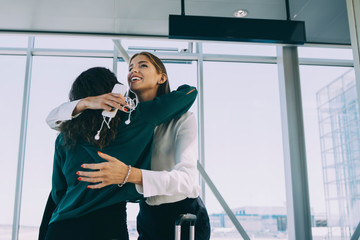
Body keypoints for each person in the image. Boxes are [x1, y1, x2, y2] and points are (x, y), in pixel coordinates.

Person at [42, 52, 210, 240]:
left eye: (143, 65)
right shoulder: (129, 121)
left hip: (182, 214)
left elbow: (58, 192)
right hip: (140, 217)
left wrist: (129, 175)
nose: (134, 70)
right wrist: (89, 103)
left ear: (162, 77)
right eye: (130, 68)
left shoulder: (68, 136)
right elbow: (189, 92)